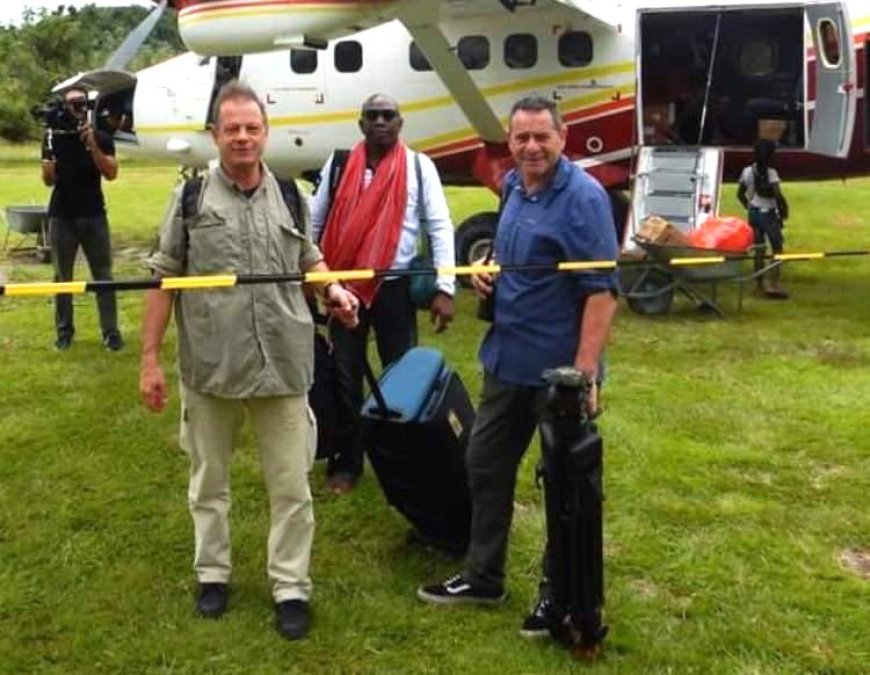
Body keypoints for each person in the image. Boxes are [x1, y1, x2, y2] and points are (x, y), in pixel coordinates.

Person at [138, 81, 359, 640]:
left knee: (292, 487)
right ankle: (213, 575)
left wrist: (333, 290)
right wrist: (149, 360)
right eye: (231, 128)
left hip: (283, 363)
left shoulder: (290, 194)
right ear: (215, 135)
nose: (242, 137)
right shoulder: (189, 199)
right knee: (208, 484)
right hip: (210, 367)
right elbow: (164, 277)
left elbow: (308, 257)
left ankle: (290, 586)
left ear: (265, 134)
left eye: (251, 128)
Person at [416, 96, 619, 639]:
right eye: (521, 137)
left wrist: (585, 373)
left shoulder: (585, 199)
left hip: (558, 372)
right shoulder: (511, 186)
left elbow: (602, 293)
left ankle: (559, 597)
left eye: (541, 137)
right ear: (510, 140)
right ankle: (484, 577)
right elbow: (515, 258)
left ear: (563, 137)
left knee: (564, 486)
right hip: (506, 359)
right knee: (484, 466)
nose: (531, 147)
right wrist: (487, 270)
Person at [308, 93, 456, 495]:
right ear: (360, 124)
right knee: (345, 376)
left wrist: (446, 287)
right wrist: (314, 281)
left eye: (388, 115)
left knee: (401, 376)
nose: (380, 122)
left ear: (400, 123)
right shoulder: (338, 166)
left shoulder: (419, 167)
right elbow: (312, 223)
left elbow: (440, 226)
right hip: (342, 288)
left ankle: (406, 457)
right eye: (371, 116)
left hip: (394, 289)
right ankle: (349, 462)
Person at [41, 87, 123, 351]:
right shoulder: (53, 136)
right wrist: (49, 163)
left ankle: (110, 332)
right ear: (64, 106)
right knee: (62, 276)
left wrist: (93, 146)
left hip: (93, 213)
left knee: (103, 275)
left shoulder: (101, 136)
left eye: (80, 103)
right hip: (61, 214)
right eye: (71, 104)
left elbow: (111, 173)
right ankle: (64, 332)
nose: (75, 108)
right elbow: (47, 180)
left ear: (87, 107)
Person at [737, 139, 790, 299]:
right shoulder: (771, 173)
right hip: (768, 214)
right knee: (777, 248)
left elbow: (740, 194)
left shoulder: (747, 171)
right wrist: (784, 211)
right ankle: (772, 284)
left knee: (759, 250)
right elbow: (778, 195)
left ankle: (759, 286)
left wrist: (749, 206)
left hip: (754, 213)